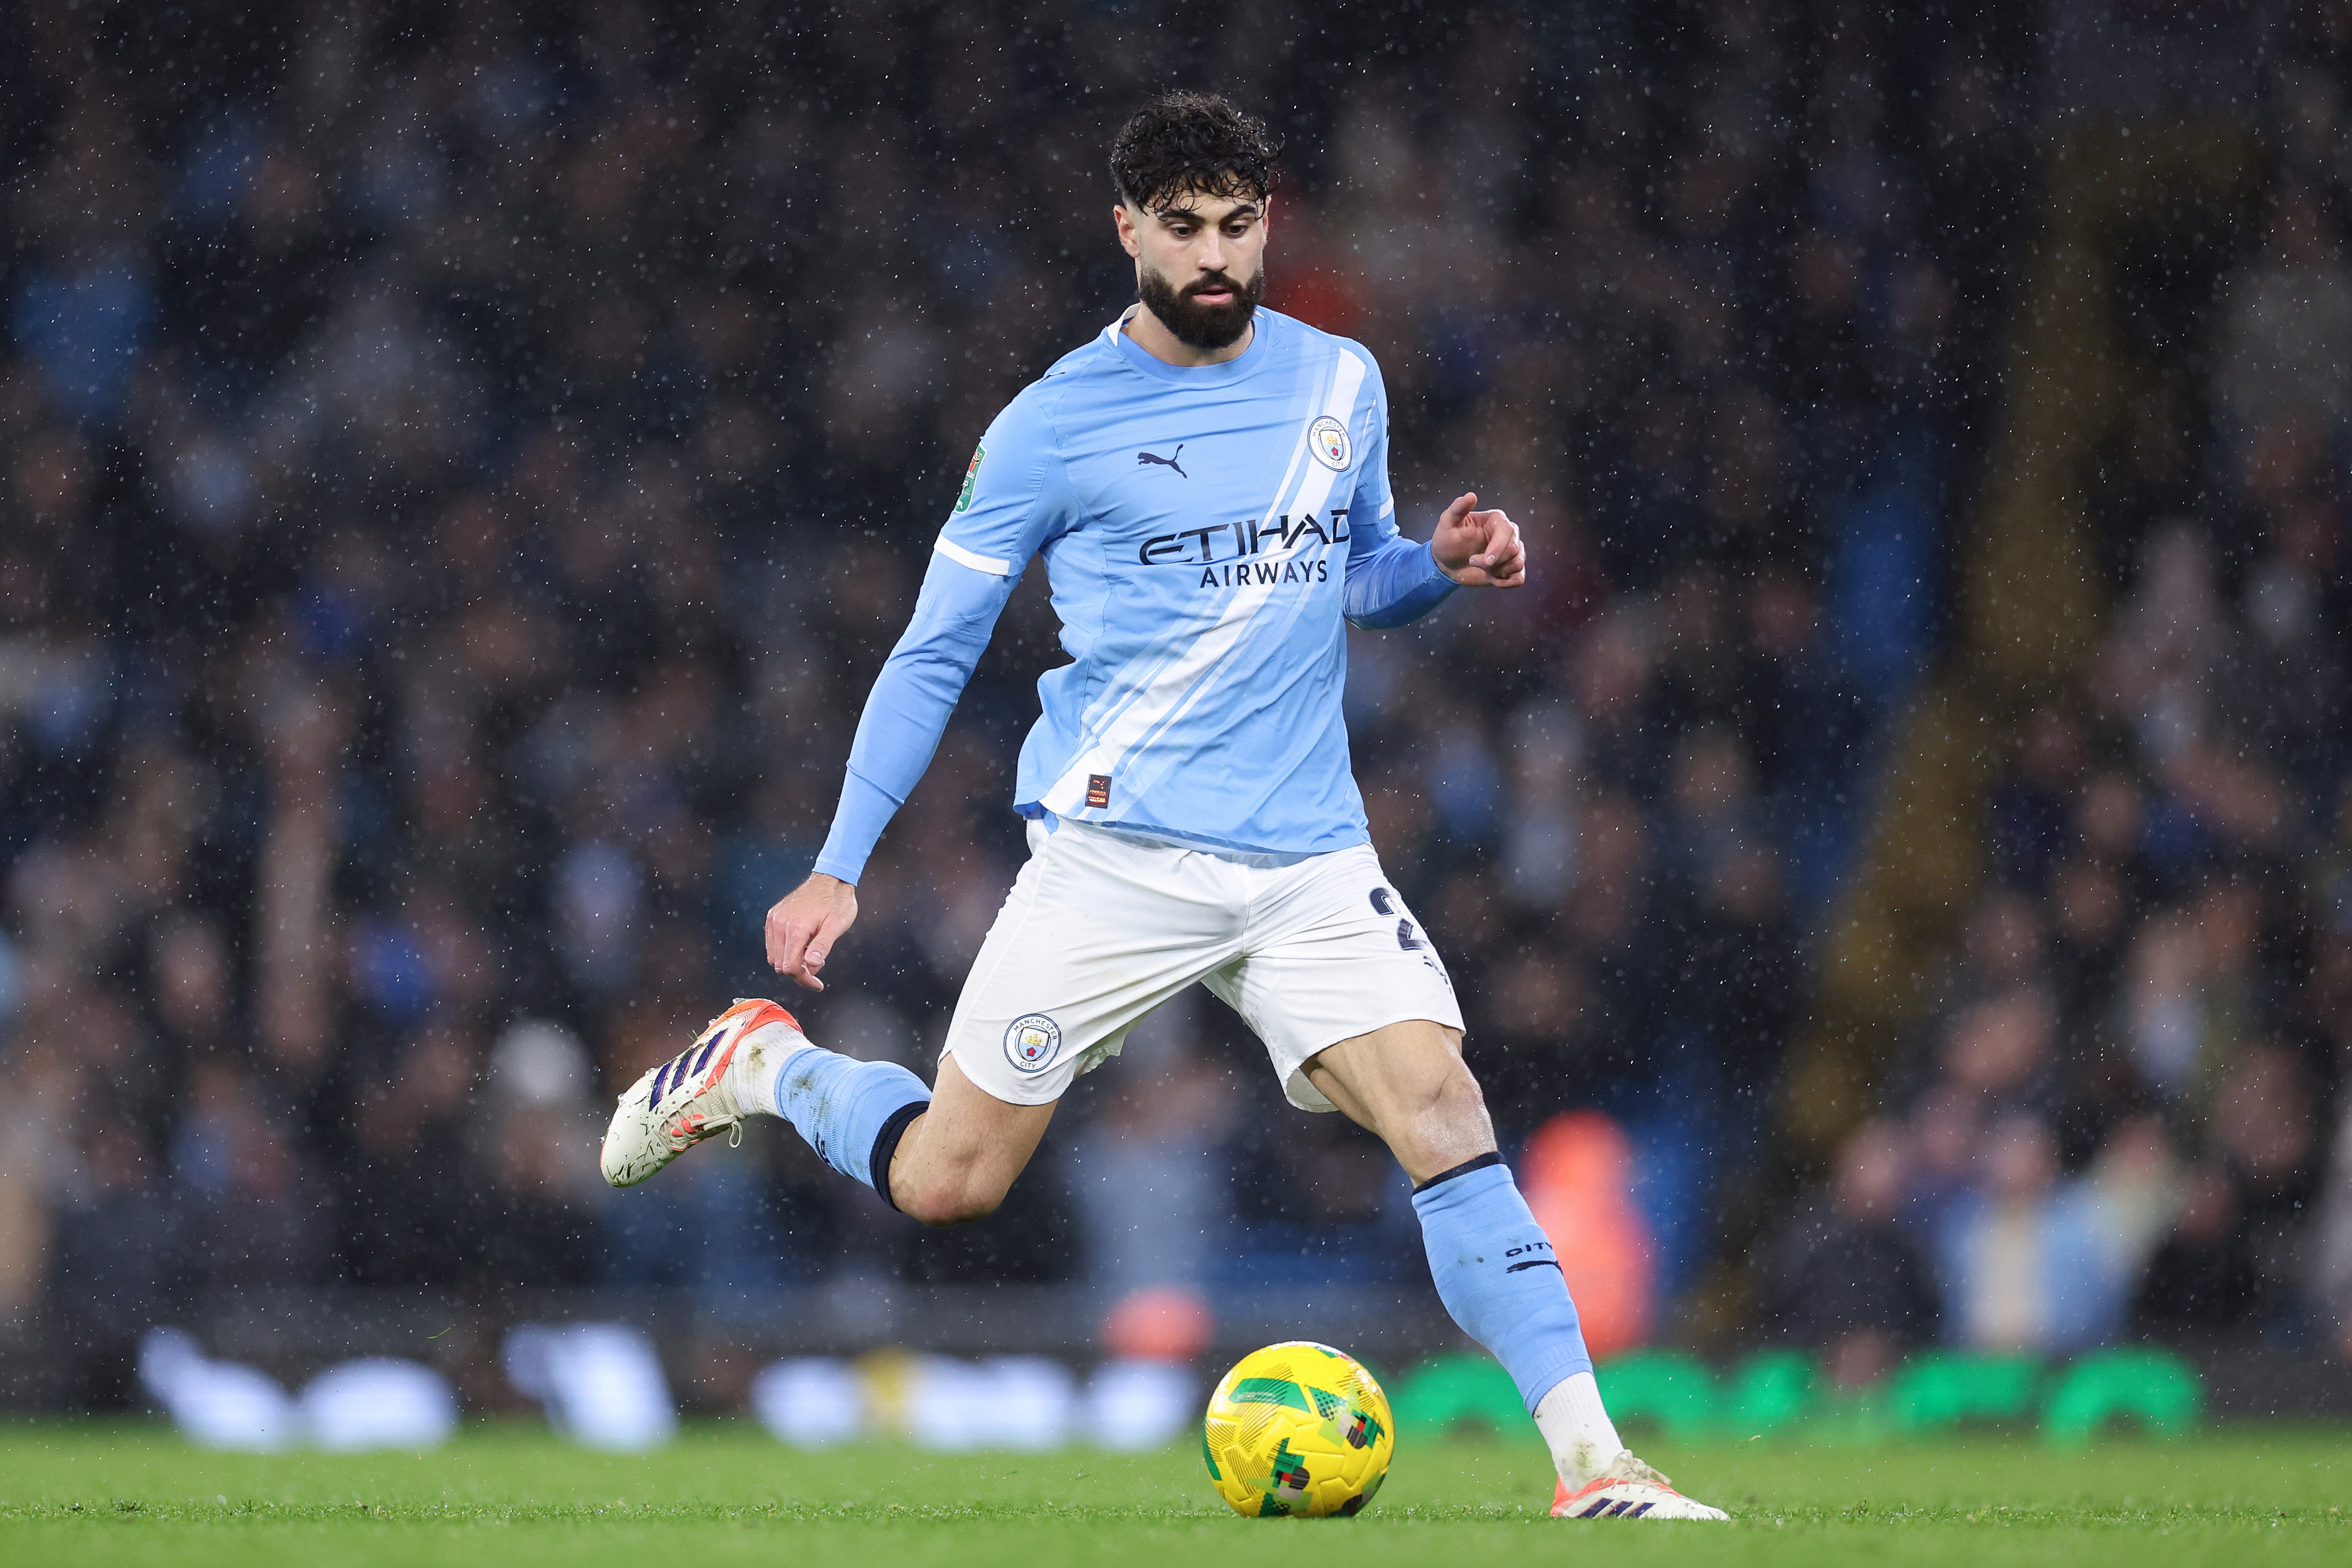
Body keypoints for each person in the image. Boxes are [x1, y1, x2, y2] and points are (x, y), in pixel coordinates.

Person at [600, 92, 1726, 1522]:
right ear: (1126, 228)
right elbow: (932, 649)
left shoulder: (1340, 381)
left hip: (1307, 854)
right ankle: (761, 1069)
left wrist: (1435, 563)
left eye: (1237, 225)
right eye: (1182, 227)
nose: (1212, 255)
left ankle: (1595, 1469)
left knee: (1443, 1108)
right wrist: (837, 866)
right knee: (948, 1179)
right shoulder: (1048, 426)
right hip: (1114, 857)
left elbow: (1357, 574)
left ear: (1269, 224)